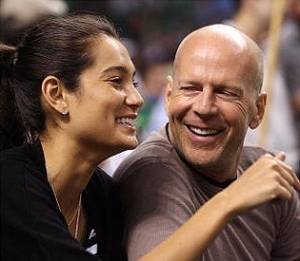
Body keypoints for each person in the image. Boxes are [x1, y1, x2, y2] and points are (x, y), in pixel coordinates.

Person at [1, 14, 299, 261]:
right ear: (57, 95)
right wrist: (230, 200)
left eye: (134, 82)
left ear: (258, 108)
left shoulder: (100, 194)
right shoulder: (11, 186)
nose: (137, 99)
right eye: (116, 81)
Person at [113, 24, 300, 261]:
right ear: (168, 97)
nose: (203, 107)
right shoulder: (151, 172)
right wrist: (232, 199)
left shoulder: (268, 176)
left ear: (258, 110)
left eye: (225, 92)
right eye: (191, 89)